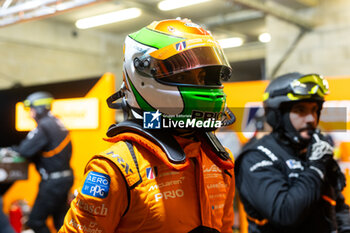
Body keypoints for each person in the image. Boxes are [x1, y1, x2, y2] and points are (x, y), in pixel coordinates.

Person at [59, 18, 236, 233]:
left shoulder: (220, 160)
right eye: (183, 74)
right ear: (141, 71)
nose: (202, 85)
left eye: (204, 75)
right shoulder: (115, 169)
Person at [235, 72, 350, 233]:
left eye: (315, 110)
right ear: (277, 115)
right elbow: (286, 214)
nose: (311, 118)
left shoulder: (312, 152)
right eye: (300, 110)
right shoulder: (256, 157)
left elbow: (337, 207)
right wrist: (315, 167)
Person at [7, 91, 74, 233]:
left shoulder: (44, 126)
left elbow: (24, 150)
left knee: (35, 221)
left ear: (39, 109)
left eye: (31, 109)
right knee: (60, 222)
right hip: (64, 179)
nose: (30, 114)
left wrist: (11, 150)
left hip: (53, 182)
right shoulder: (56, 122)